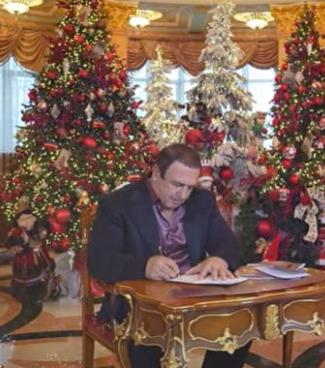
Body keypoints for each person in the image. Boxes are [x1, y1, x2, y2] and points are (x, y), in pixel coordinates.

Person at [88, 143, 251, 368]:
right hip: (139, 305)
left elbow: (227, 242)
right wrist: (144, 266)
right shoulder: (118, 204)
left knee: (240, 325)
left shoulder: (202, 200)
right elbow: (99, 262)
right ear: (156, 172)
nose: (183, 195)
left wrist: (219, 258)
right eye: (177, 185)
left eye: (190, 187)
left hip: (194, 299)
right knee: (145, 339)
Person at [7, 211, 58, 303]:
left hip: (38, 253)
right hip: (25, 257)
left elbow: (42, 235)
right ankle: (26, 293)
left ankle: (44, 289)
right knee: (28, 274)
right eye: (24, 220)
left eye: (28, 219)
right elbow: (11, 241)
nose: (26, 222)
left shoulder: (36, 228)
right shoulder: (19, 231)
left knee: (44, 270)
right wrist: (17, 244)